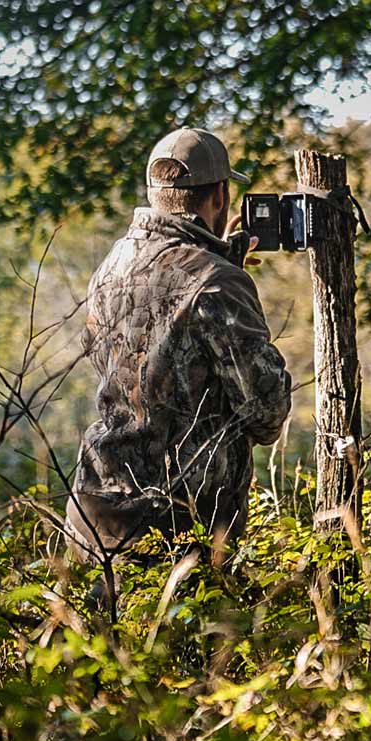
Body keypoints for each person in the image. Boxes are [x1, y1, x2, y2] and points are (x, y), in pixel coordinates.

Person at [64, 127, 292, 567]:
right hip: (176, 531)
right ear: (220, 197)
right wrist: (229, 283)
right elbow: (266, 414)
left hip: (95, 517)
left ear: (154, 195)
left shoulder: (111, 266)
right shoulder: (217, 282)